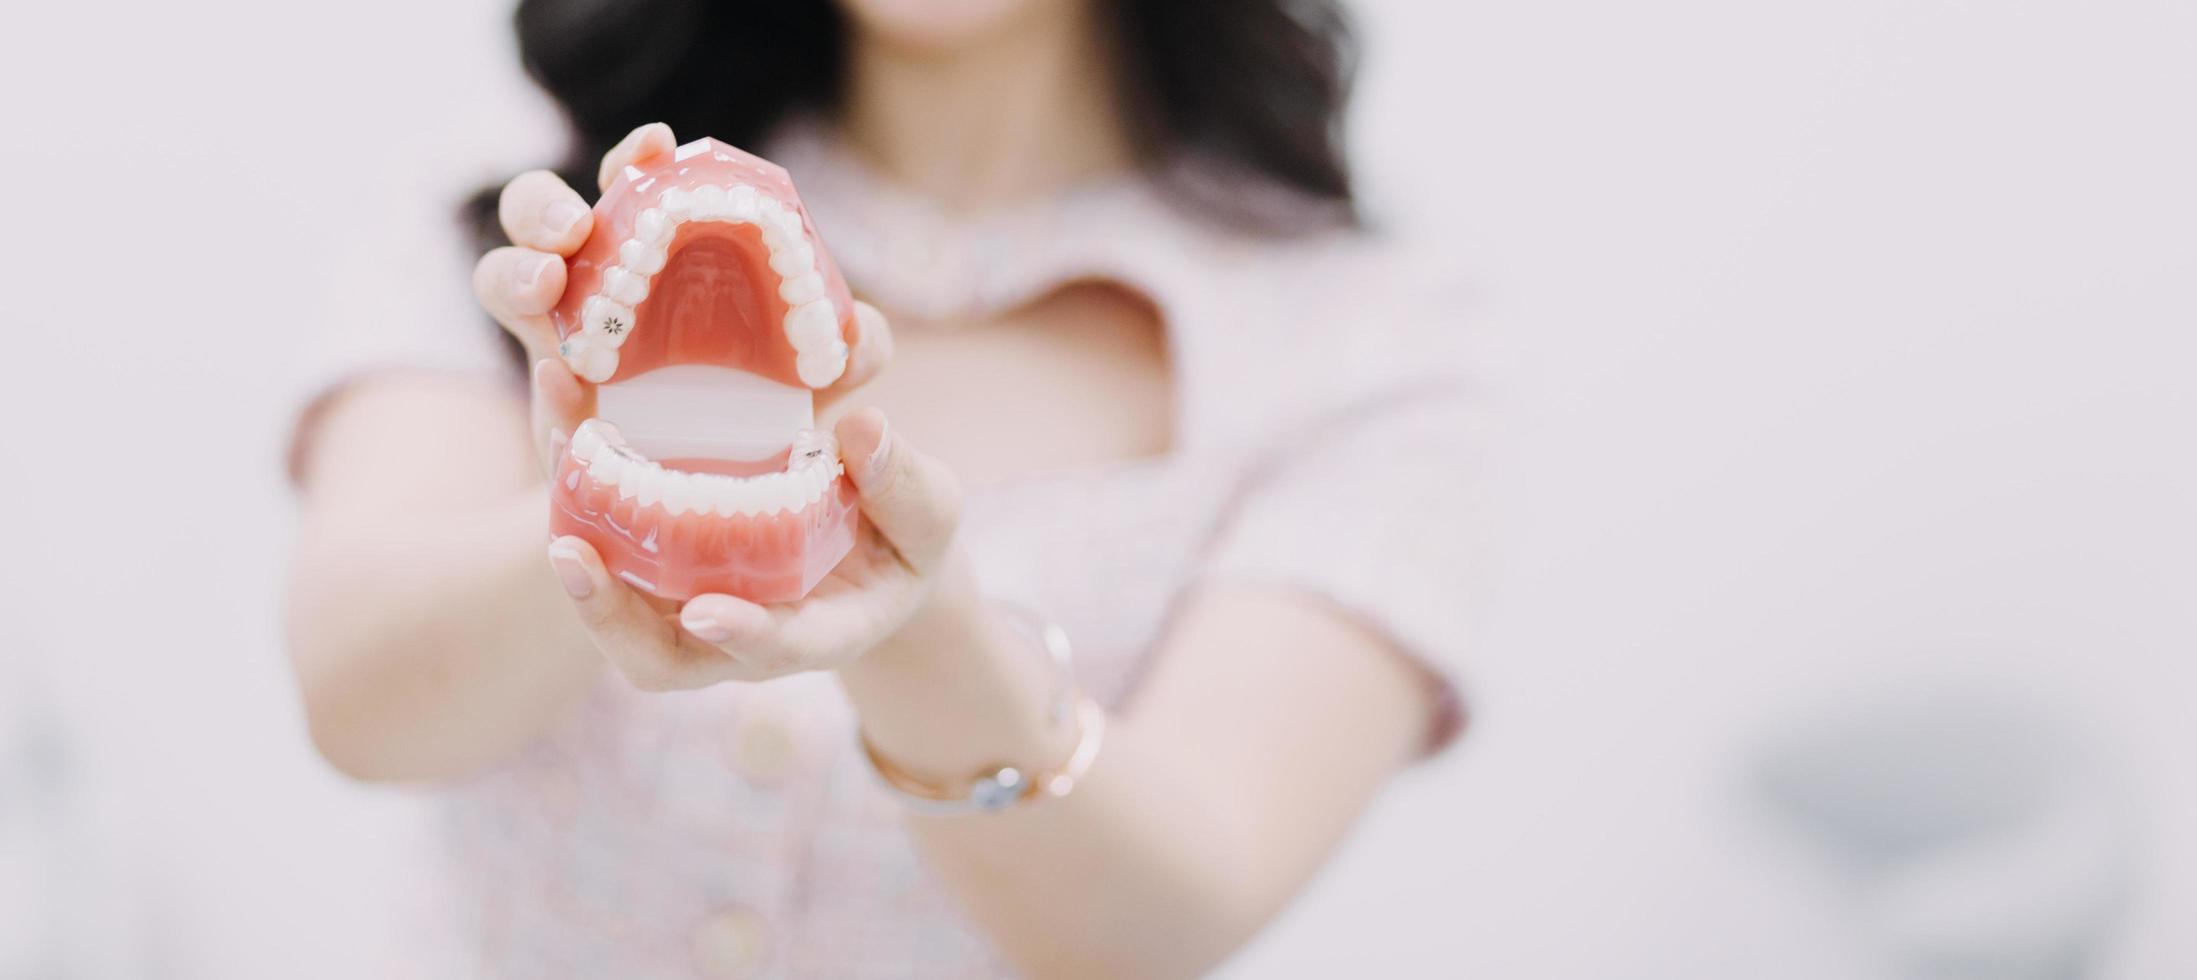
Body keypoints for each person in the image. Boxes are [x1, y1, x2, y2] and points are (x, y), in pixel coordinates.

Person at [285, 0, 1475, 975]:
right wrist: (615, 492)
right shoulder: (540, 210)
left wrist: (923, 628)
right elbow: (356, 695)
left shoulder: (1364, 345)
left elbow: (1163, 919)